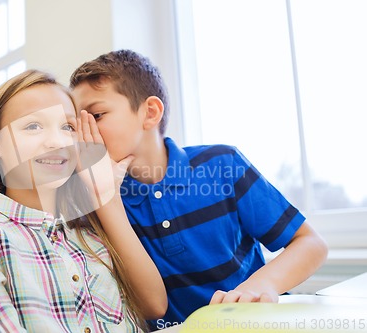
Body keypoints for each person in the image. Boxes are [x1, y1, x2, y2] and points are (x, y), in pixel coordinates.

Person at [69, 49, 329, 329]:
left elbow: (311, 244)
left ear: (150, 112)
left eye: (96, 115)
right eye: (75, 125)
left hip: (255, 324)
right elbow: (148, 307)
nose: (85, 134)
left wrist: (257, 286)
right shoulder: (99, 203)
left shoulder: (221, 164)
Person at [0, 69, 167, 332]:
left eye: (68, 127)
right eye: (33, 126)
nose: (56, 142)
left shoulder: (88, 231)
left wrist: (107, 196)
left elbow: (154, 306)